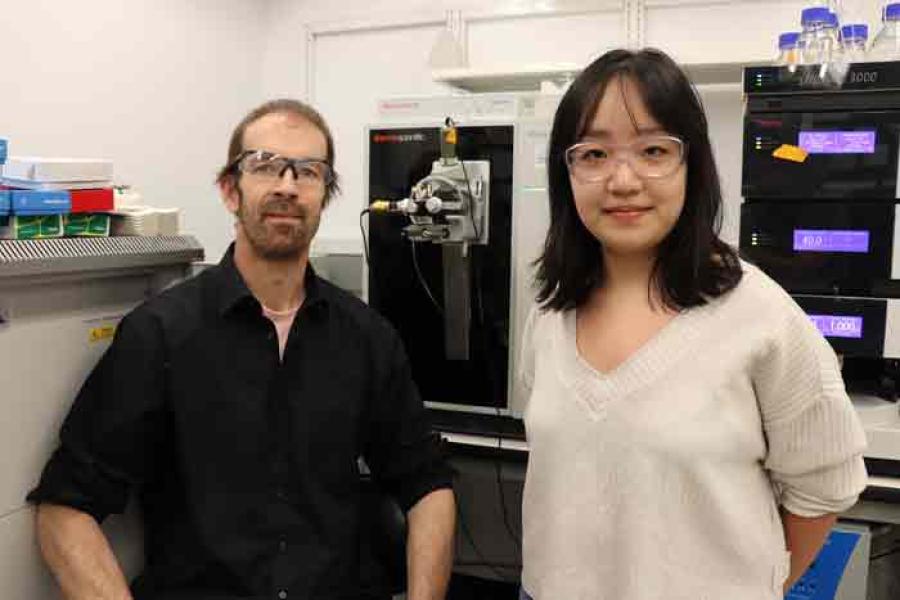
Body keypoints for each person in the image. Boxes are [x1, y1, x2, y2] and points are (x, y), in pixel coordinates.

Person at [27, 99, 456, 600]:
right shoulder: (161, 335)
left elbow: (427, 485)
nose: (287, 186)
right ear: (230, 190)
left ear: (325, 194)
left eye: (309, 172)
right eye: (265, 165)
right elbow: (64, 510)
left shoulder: (367, 339)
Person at [517, 49, 868, 600]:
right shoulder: (550, 310)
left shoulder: (760, 317)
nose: (623, 179)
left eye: (653, 150)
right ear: (567, 173)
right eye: (594, 154)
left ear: (693, 166)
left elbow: (823, 489)